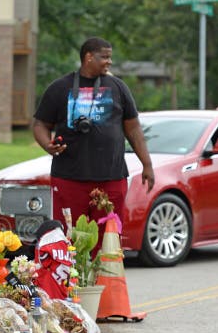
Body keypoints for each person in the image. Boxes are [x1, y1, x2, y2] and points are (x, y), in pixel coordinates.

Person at [32, 37, 154, 243]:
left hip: (111, 178)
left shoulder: (118, 87)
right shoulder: (60, 88)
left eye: (110, 57)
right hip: (69, 178)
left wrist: (147, 164)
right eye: (104, 57)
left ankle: (104, 277)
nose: (109, 62)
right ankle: (72, 276)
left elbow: (133, 129)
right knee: (69, 238)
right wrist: (48, 145)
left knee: (107, 240)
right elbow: (40, 125)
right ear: (88, 57)